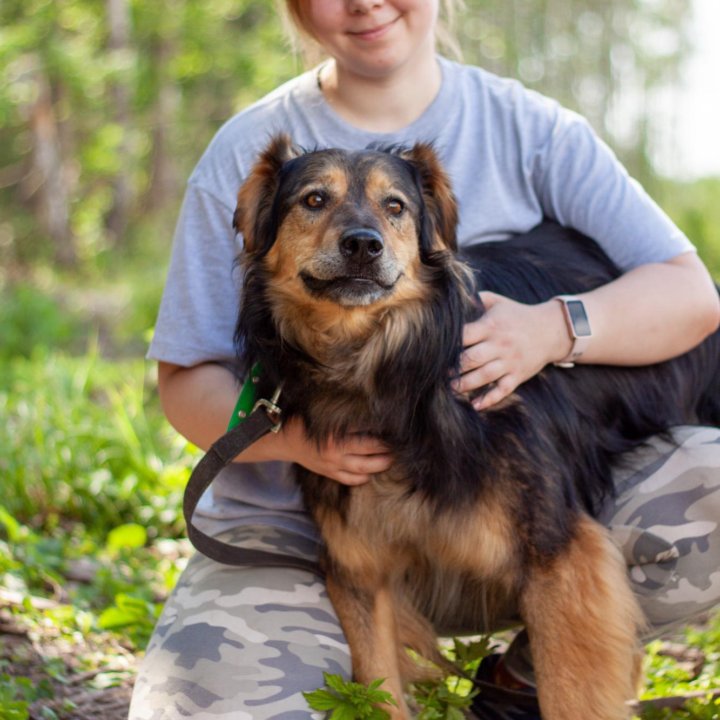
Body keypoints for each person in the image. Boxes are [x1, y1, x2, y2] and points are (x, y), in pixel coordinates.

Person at [128, 0, 720, 717]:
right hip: (288, 541)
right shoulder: (244, 149)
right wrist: (297, 441)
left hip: (502, 517)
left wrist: (551, 330)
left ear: (432, 236)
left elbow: (692, 294)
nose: (360, 235)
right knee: (201, 699)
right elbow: (185, 380)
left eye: (391, 214)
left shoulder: (532, 127)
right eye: (316, 203)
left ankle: (525, 685)